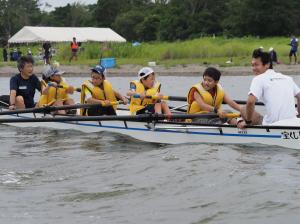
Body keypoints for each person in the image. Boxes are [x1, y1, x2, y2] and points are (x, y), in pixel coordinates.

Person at [237, 49, 300, 128]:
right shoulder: (288, 78)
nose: (253, 68)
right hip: (295, 123)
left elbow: (250, 102)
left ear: (267, 64)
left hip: (273, 126)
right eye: (252, 65)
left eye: (256, 65)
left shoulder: (258, 79)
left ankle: (240, 122)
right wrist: (298, 117)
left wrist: (248, 122)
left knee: (243, 109)